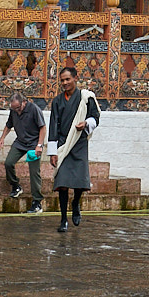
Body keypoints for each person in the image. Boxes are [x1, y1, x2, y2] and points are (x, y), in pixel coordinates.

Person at [45, 65, 101, 233]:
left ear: (75, 78)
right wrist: (53, 151)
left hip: (79, 142)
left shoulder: (86, 97)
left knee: (78, 182)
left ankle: (76, 203)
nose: (65, 83)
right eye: (62, 80)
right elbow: (53, 125)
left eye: (68, 79)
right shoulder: (57, 101)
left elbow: (95, 118)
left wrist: (86, 124)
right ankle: (63, 219)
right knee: (62, 183)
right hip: (63, 144)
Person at [0, 92, 45, 213]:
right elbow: (8, 125)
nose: (17, 111)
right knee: (8, 163)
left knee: (34, 172)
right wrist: (2, 139)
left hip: (33, 144)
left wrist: (39, 145)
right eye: (14, 108)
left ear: (24, 102)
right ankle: (16, 185)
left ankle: (37, 202)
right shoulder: (14, 111)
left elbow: (42, 127)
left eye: (18, 108)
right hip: (20, 142)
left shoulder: (34, 109)